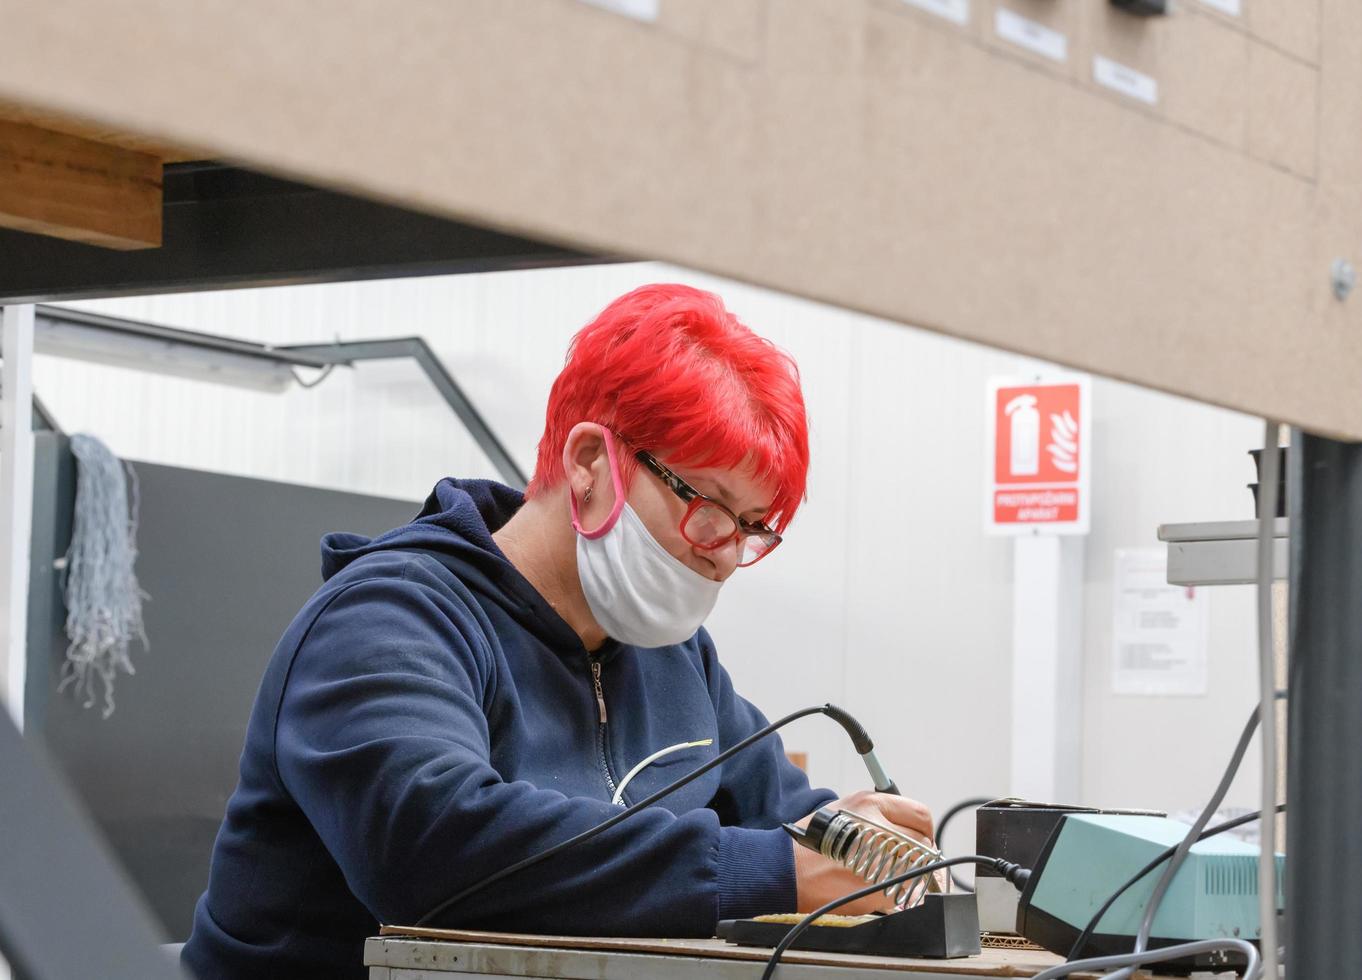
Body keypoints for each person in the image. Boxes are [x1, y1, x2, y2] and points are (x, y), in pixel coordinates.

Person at [182, 283, 936, 979]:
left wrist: (862, 839)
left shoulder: (677, 661)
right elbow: (432, 850)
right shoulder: (390, 620)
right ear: (587, 462)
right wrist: (775, 869)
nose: (724, 558)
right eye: (708, 507)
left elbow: (790, 819)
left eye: (749, 531)